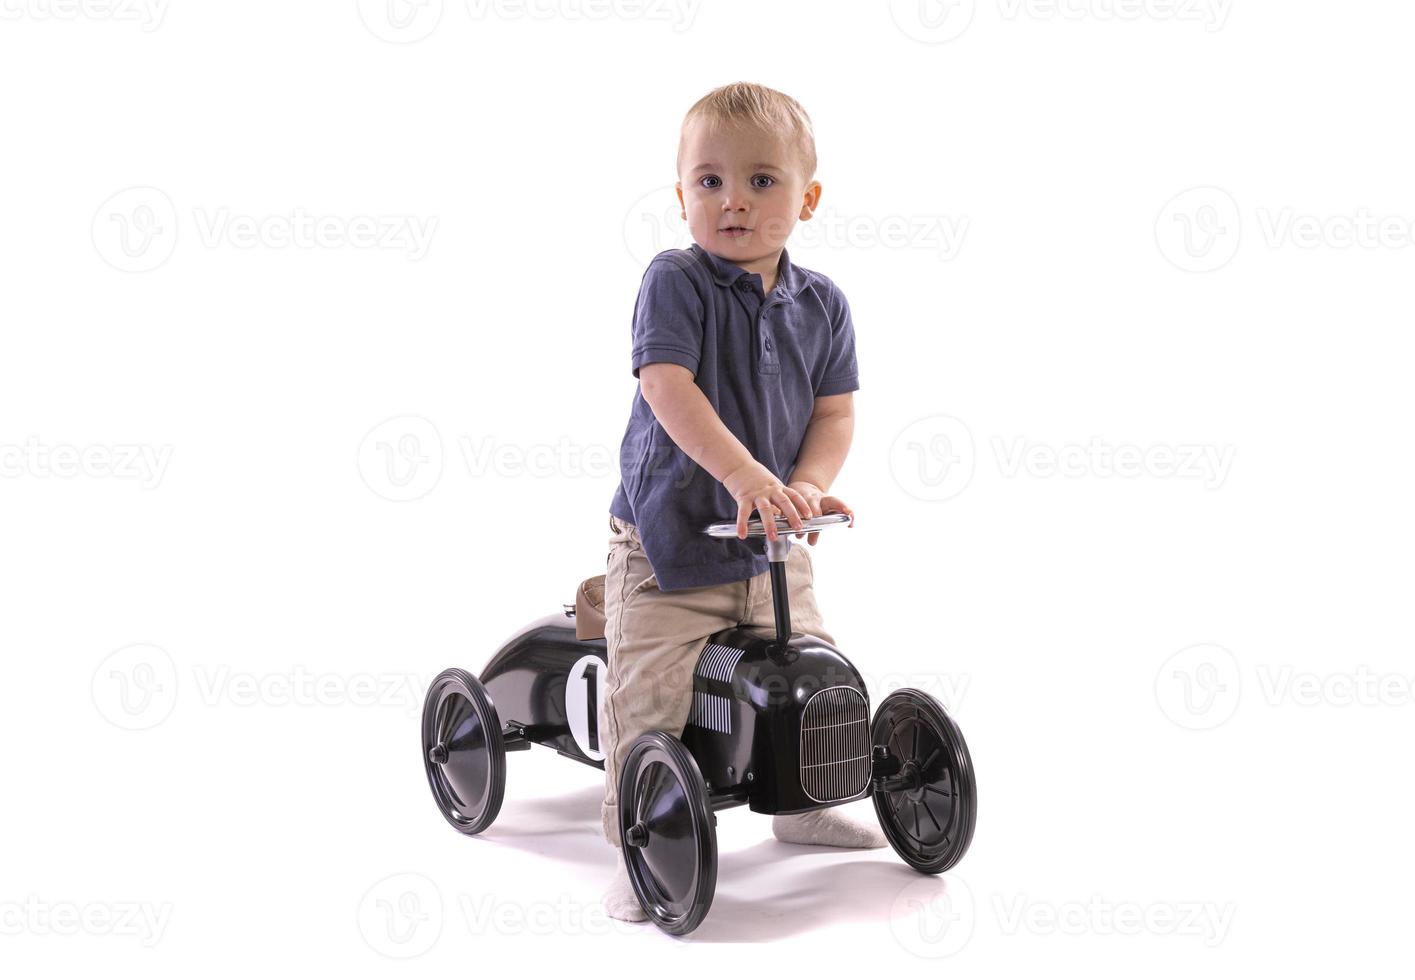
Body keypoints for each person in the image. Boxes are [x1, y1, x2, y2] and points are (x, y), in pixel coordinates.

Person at [599, 82, 885, 922]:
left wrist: (803, 485)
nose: (733, 201)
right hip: (667, 539)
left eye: (761, 181)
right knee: (649, 691)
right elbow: (666, 385)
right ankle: (634, 840)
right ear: (681, 193)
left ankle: (799, 804)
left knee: (814, 672)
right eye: (709, 181)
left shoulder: (822, 303)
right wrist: (745, 475)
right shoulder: (675, 281)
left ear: (807, 198)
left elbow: (833, 413)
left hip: (767, 543)